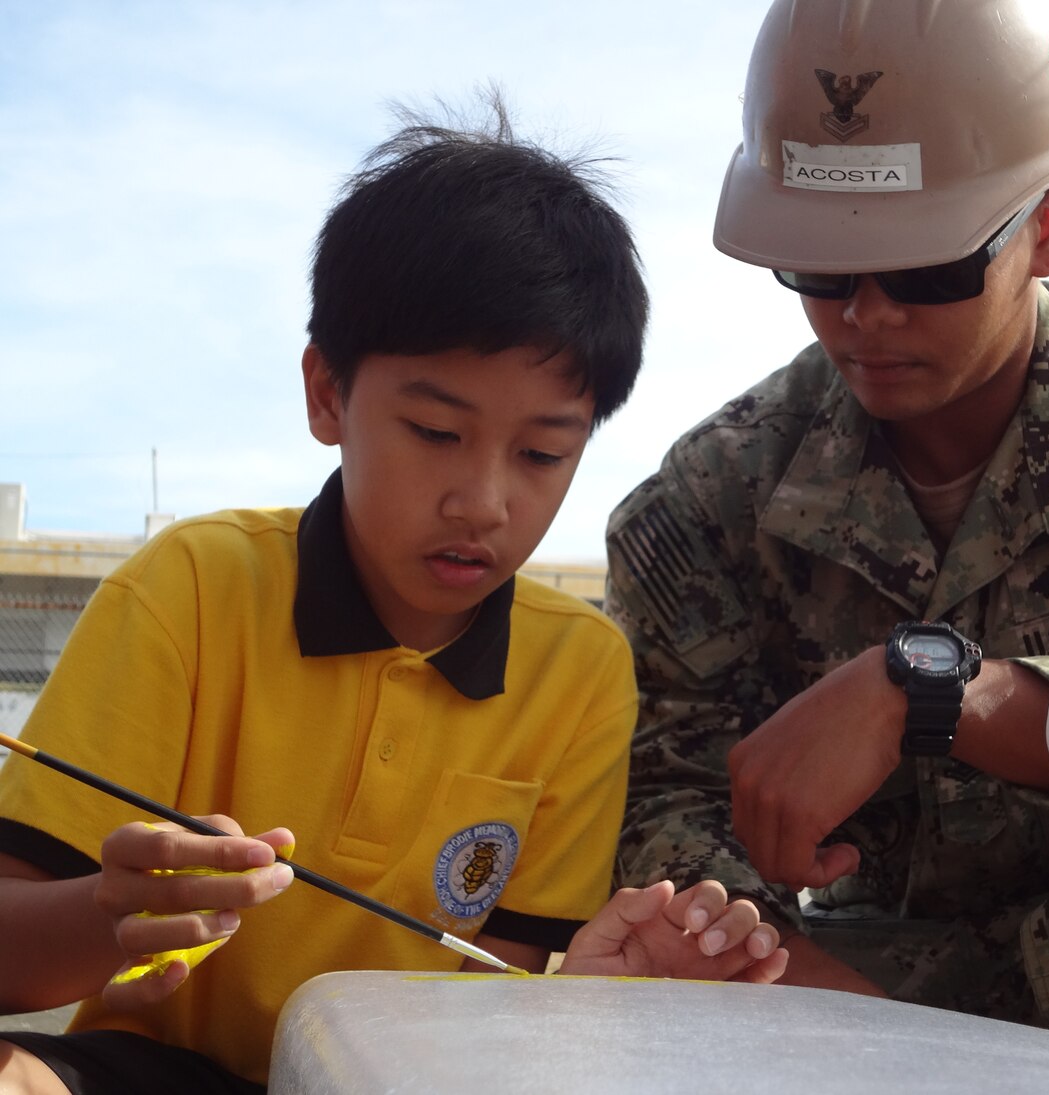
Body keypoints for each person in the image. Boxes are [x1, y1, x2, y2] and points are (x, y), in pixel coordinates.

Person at [0, 102, 787, 1095]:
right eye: (433, 432)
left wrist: (585, 1000)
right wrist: (108, 913)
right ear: (327, 394)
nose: (484, 502)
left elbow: (505, 998)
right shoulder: (190, 589)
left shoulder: (578, 673)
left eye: (543, 453)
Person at [606, 0, 1049, 1048]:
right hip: (846, 979)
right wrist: (816, 1000)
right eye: (819, 270)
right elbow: (666, 802)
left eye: (928, 270)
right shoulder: (711, 499)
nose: (865, 316)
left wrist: (931, 691)